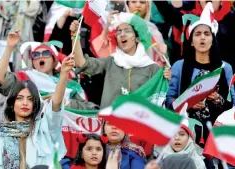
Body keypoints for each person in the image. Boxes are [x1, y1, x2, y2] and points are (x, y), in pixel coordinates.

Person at [0, 54, 74, 168]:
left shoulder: (44, 129)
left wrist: (64, 73)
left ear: (35, 105)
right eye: (20, 98)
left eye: (30, 99)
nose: (25, 103)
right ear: (12, 104)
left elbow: (55, 105)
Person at [71, 12, 171, 108]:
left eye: (127, 31)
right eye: (119, 32)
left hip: (136, 123)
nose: (122, 34)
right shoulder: (111, 61)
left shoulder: (153, 68)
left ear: (137, 38)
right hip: (110, 124)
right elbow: (81, 62)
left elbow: (159, 100)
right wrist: (75, 36)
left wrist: (167, 78)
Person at [166, 2, 234, 141]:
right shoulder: (179, 66)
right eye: (197, 34)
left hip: (218, 134)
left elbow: (232, 102)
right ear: (191, 41)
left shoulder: (225, 68)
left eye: (207, 34)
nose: (202, 37)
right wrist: (187, 102)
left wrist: (217, 98)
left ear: (213, 39)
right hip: (186, 133)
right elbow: (169, 101)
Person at [0, 30, 97, 110]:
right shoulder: (27, 78)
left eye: (46, 54)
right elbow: (0, 79)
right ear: (33, 62)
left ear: (54, 61)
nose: (40, 57)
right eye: (35, 55)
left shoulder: (71, 85)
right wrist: (9, 48)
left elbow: (89, 108)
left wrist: (65, 103)